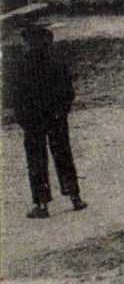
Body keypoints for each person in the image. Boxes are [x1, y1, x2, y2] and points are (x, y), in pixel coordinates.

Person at [8, 22, 86, 219]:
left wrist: (23, 118)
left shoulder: (21, 66)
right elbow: (68, 92)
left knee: (36, 160)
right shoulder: (57, 63)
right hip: (55, 117)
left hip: (33, 119)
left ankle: (41, 204)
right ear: (46, 43)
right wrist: (62, 111)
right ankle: (75, 197)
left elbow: (15, 96)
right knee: (63, 155)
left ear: (28, 43)